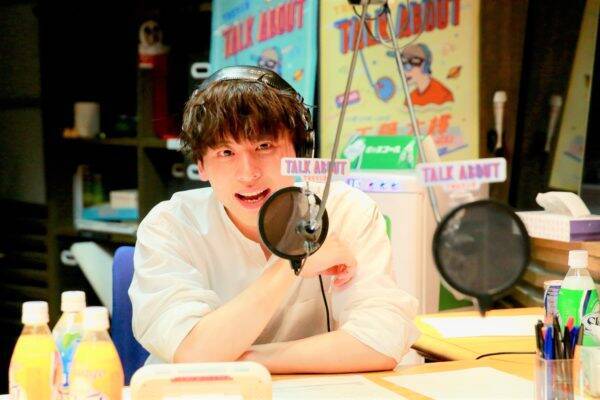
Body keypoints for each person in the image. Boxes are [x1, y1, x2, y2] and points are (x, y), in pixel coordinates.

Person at [129, 66, 419, 373]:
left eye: (264, 146)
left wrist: (246, 360)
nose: (248, 174)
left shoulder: (346, 211)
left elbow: (381, 340)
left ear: (300, 151)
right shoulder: (170, 226)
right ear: (201, 165)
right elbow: (193, 353)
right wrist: (292, 263)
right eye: (226, 152)